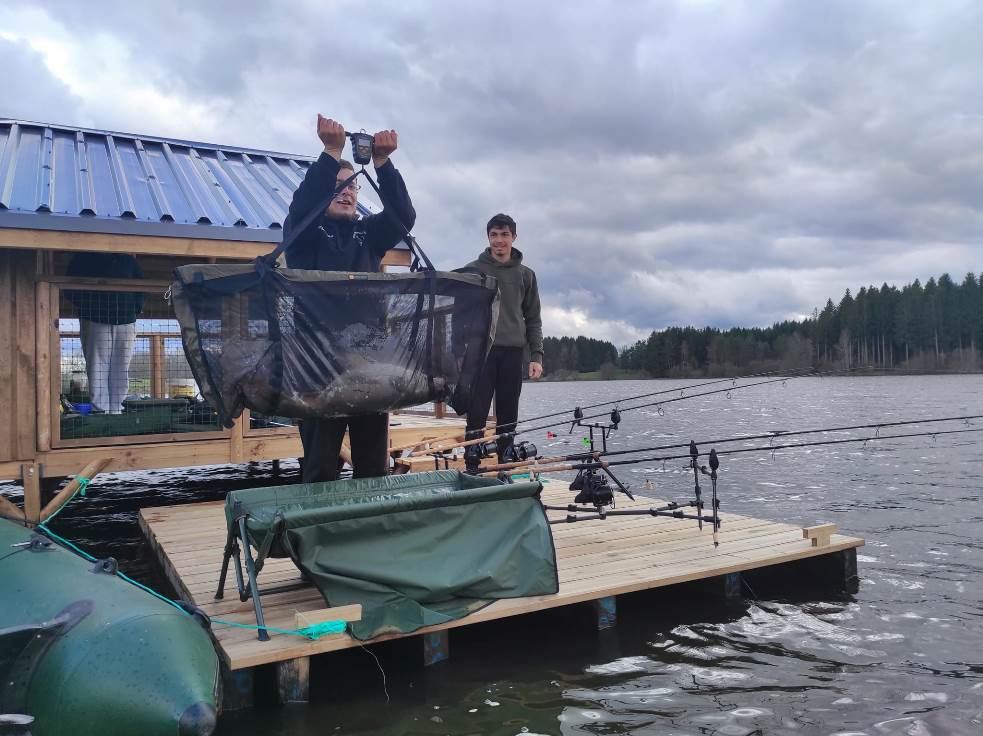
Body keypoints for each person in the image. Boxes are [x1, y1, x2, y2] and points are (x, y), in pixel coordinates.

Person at [284, 115, 416, 483]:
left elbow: (403, 217)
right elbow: (301, 208)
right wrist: (330, 153)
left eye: (353, 188)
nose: (346, 193)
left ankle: (370, 530)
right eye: (338, 187)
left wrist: (383, 165)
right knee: (321, 466)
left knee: (373, 467)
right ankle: (318, 535)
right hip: (317, 369)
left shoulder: (369, 234)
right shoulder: (305, 236)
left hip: (368, 364)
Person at [461, 213, 543, 461]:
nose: (499, 240)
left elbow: (534, 319)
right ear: (488, 238)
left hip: (513, 353)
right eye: (494, 235)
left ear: (514, 237)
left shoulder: (526, 275)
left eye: (504, 235)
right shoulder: (472, 271)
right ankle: (472, 463)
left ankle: (505, 465)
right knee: (476, 413)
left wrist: (536, 356)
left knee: (508, 415)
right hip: (481, 353)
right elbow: (457, 315)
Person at [65, 253, 145, 414]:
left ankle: (117, 412)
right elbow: (69, 286)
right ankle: (100, 413)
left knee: (121, 368)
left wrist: (134, 308)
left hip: (126, 321)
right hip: (94, 319)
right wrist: (88, 306)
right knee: (97, 367)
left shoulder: (128, 260)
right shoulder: (83, 258)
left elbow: (142, 286)